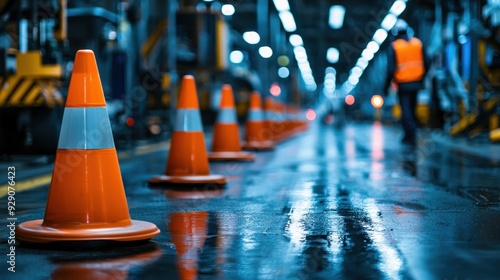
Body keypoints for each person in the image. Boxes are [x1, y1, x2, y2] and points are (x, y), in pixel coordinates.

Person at [384, 19, 430, 145]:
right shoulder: (417, 43)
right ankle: (409, 133)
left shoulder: (395, 46)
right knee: (412, 107)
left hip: (403, 84)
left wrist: (386, 86)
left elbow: (390, 69)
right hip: (416, 82)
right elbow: (427, 62)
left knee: (406, 110)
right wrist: (422, 77)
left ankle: (411, 132)